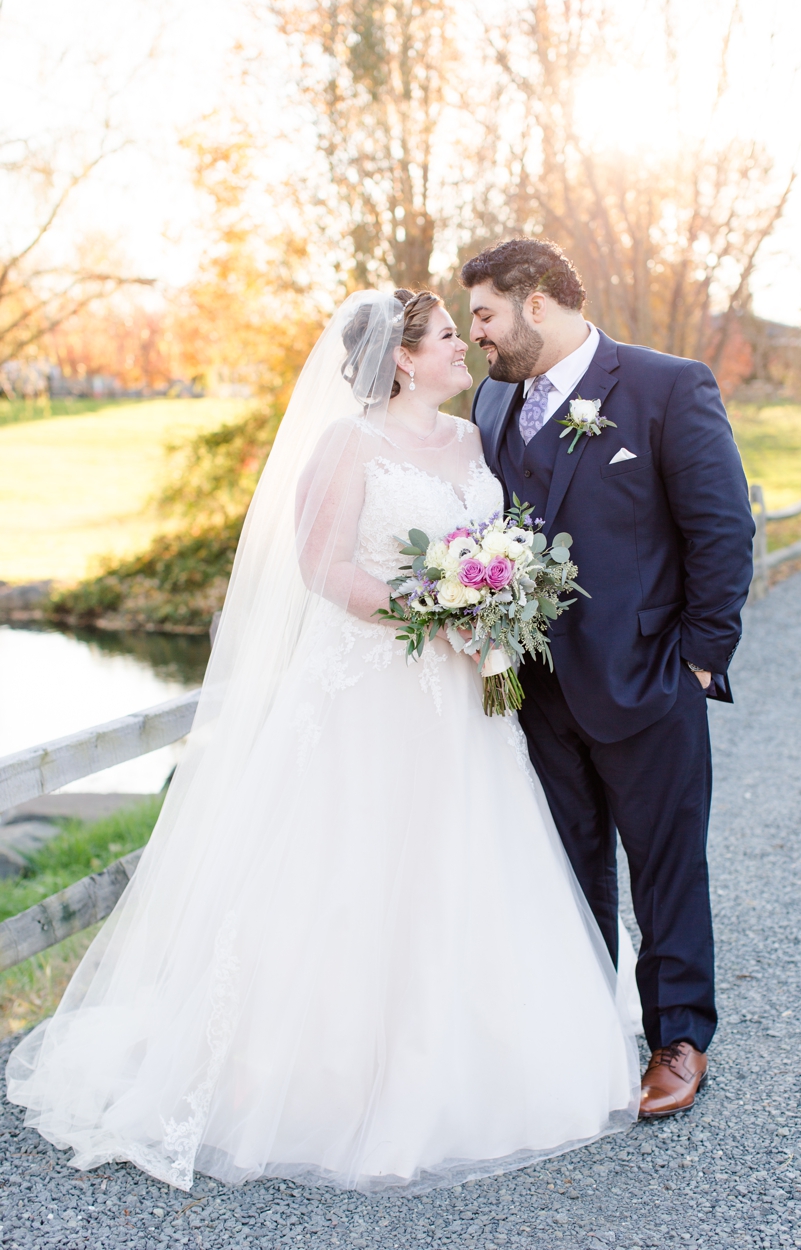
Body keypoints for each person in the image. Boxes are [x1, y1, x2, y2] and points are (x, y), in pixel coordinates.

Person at [6, 290, 640, 1192]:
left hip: (465, 692)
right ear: (402, 361)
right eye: (449, 337)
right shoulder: (349, 445)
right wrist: (435, 603)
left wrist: (493, 598)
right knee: (353, 862)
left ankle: (473, 1057)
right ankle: (323, 1076)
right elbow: (321, 566)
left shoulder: (470, 442)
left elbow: (493, 538)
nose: (467, 347)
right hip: (370, 687)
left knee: (463, 856)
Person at [464, 239, 755, 1118]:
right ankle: (586, 1030)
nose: (477, 334)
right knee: (563, 865)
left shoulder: (667, 387)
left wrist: (698, 659)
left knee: (666, 868)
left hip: (647, 681)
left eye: (485, 314)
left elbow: (723, 530)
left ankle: (677, 1039)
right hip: (531, 690)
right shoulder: (489, 401)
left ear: (540, 300)